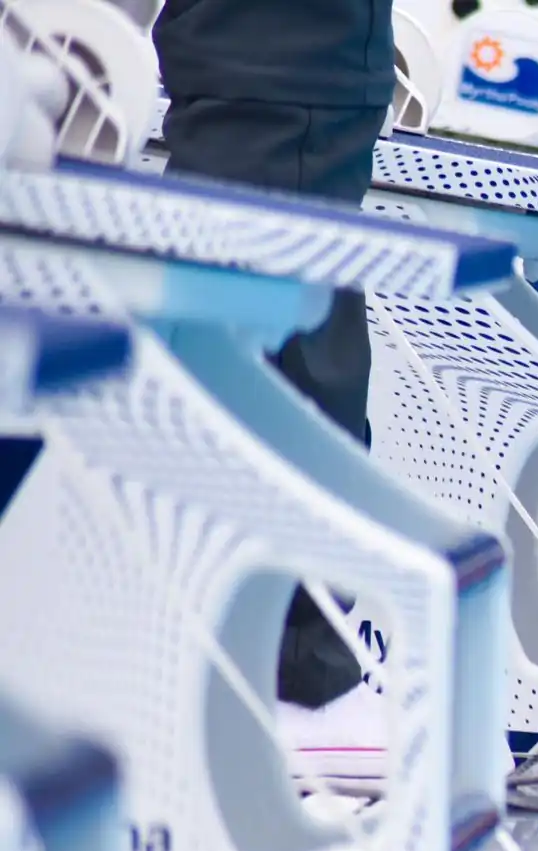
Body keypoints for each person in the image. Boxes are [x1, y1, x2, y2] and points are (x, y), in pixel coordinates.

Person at [154, 0, 392, 740]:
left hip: (275, 65)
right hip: (258, 64)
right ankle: (276, 673)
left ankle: (285, 682)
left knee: (267, 325)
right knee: (249, 328)